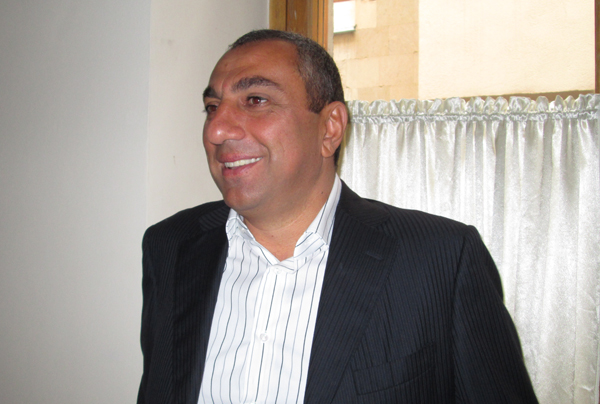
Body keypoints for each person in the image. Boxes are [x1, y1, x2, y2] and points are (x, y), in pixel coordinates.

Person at [137, 29, 538, 404]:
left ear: (330, 129)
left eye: (255, 100)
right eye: (212, 107)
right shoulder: (170, 246)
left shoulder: (440, 260)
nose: (216, 130)